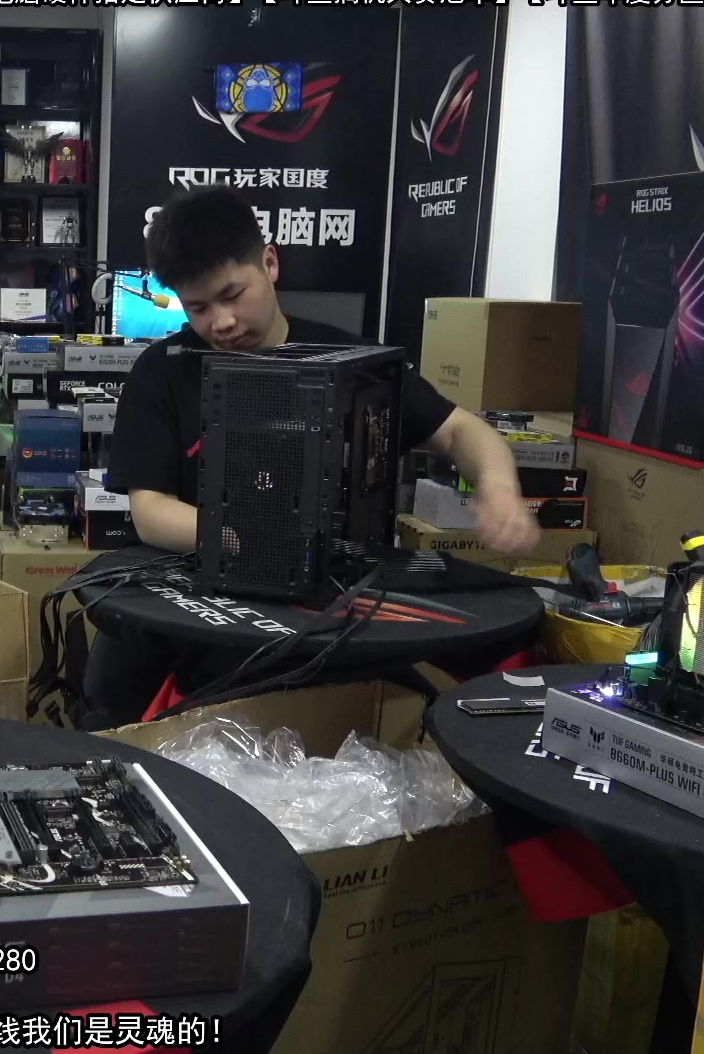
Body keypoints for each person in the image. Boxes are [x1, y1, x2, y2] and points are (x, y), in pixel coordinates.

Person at [75, 187, 540, 728]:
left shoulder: (352, 362)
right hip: (201, 620)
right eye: (198, 308)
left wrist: (498, 488)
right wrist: (250, 540)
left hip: (330, 617)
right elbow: (151, 511)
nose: (221, 323)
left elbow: (461, 431)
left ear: (270, 264)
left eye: (233, 295)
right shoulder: (163, 372)